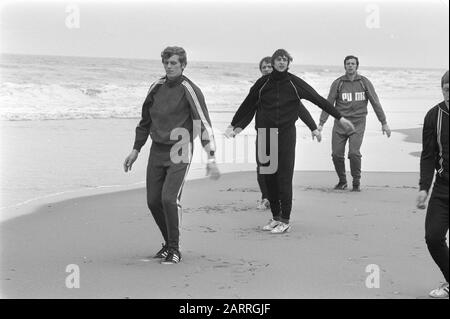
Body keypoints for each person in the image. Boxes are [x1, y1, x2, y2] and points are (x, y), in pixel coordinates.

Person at [225, 49, 355, 234]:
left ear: (288, 63)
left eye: (284, 60)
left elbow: (317, 99)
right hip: (265, 134)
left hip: (286, 135)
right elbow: (247, 104)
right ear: (273, 61)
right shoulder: (263, 83)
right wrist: (233, 125)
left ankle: (285, 220)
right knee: (268, 178)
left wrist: (339, 118)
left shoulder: (294, 83)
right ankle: (275, 217)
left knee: (284, 178)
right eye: (278, 59)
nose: (281, 62)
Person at [123, 46, 220, 265]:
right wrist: (136, 149)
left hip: (180, 150)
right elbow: (145, 122)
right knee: (153, 201)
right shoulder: (156, 87)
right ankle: (168, 244)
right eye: (166, 62)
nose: (169, 66)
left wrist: (211, 155)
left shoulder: (190, 89)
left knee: (169, 198)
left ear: (183, 65)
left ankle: (175, 249)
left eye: (174, 63)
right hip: (157, 150)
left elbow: (203, 123)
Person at [318, 55, 391, 192]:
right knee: (336, 154)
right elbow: (328, 104)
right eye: (348, 63)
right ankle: (342, 181)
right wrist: (321, 123)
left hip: (358, 124)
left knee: (354, 153)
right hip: (340, 124)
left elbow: (375, 103)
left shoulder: (364, 82)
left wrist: (384, 122)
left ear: (357, 66)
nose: (350, 66)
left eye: (353, 63)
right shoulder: (338, 83)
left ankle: (356, 182)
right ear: (344, 66)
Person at [416, 70, 449, 298]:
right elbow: (428, 155)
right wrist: (424, 187)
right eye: (446, 88)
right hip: (443, 188)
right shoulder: (433, 115)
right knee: (433, 237)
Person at [256, 57, 272, 210]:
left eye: (269, 66)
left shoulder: (282, 86)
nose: (266, 69)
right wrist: (237, 125)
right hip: (261, 132)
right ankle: (265, 197)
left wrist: (313, 126)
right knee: (262, 166)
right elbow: (248, 108)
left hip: (279, 133)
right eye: (264, 67)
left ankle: (275, 197)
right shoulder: (258, 87)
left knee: (275, 167)